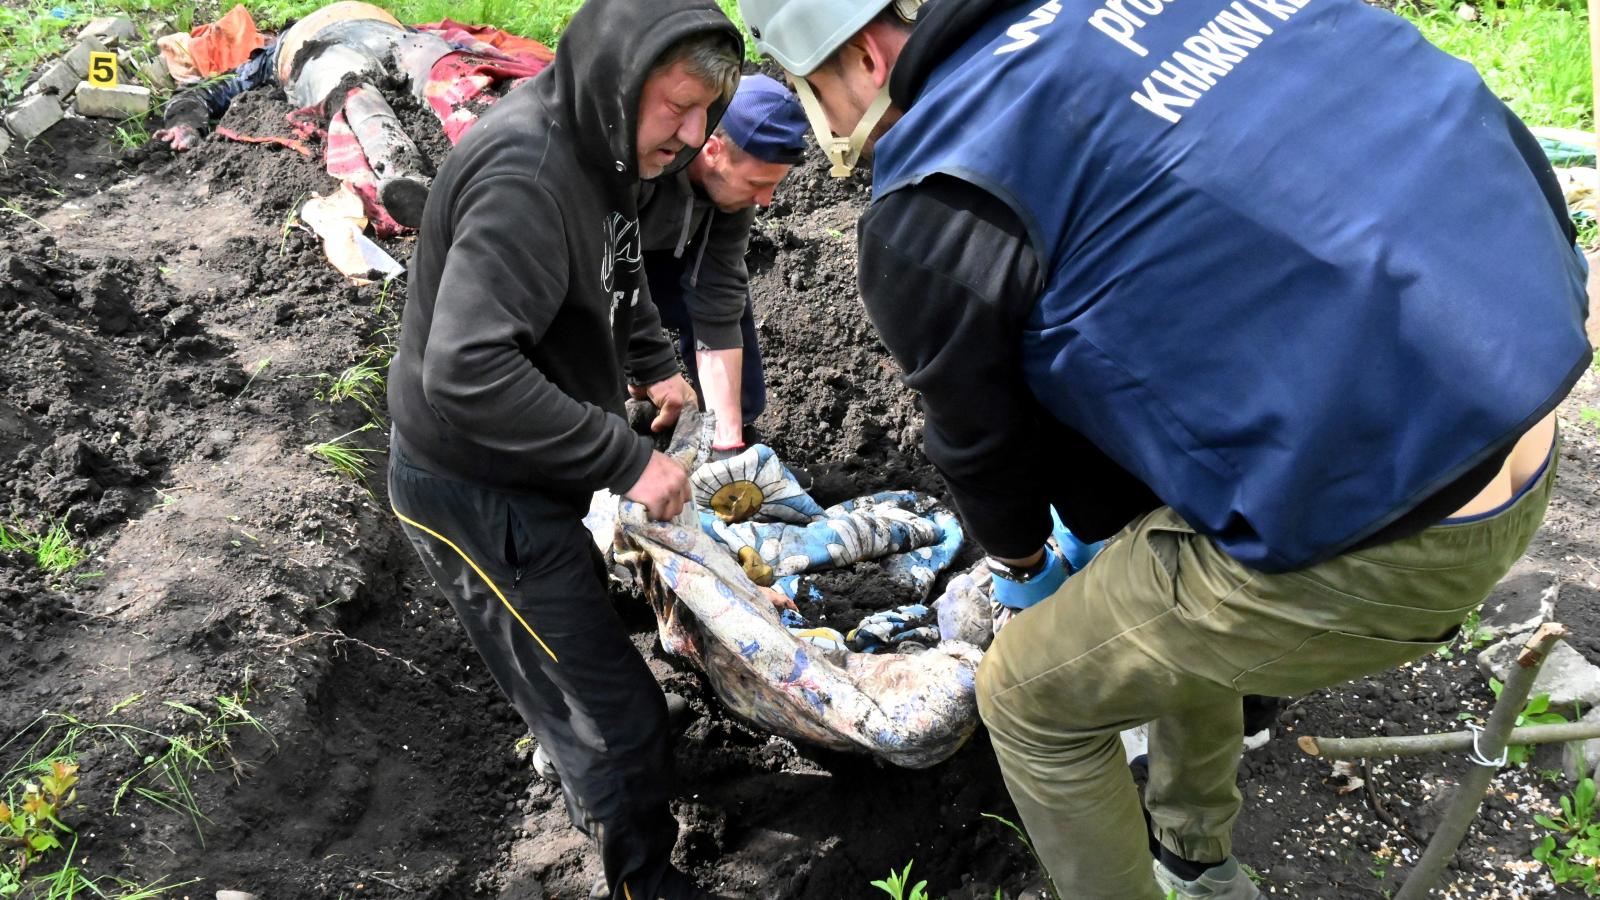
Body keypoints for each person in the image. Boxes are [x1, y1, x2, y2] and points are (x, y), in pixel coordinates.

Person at [735, 0, 1592, 896]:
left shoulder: (933, 206)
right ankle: (1194, 854)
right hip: (1519, 390)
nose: (830, 126)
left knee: (1027, 700)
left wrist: (1025, 570)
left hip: (1400, 540)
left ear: (865, 54)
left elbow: (979, 443)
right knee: (1150, 570)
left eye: (817, 93)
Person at [384, 0, 743, 895]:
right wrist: (628, 461)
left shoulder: (606, 147)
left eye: (709, 114)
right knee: (613, 717)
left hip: (532, 466)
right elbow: (464, 374)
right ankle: (640, 877)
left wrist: (656, 363)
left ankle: (597, 764)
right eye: (678, 109)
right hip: (470, 486)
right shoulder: (527, 178)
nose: (694, 137)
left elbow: (617, 267)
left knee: (584, 649)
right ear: (622, 86)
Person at [153, 1, 453, 226]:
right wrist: (184, 121)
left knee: (352, 89)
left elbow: (207, 91)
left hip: (352, 39)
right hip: (382, 32)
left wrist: (184, 122)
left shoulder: (270, 56)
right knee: (439, 74)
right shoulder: (274, 53)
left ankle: (403, 173)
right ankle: (410, 175)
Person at [638, 73, 808, 456]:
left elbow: (716, 292)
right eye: (755, 184)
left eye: (773, 185)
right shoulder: (643, 161)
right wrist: (649, 368)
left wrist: (727, 447)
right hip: (586, 264)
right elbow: (605, 276)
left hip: (658, 255)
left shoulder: (734, 194)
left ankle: (732, 438)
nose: (765, 200)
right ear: (712, 150)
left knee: (732, 301)